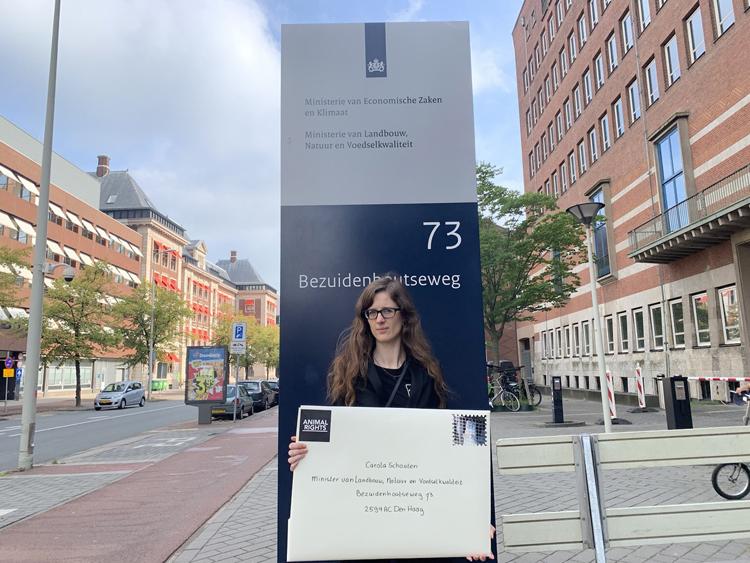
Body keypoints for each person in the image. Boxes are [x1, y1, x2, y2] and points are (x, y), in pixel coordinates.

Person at [288, 275, 494, 561]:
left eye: (387, 310)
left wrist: (471, 521)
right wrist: (304, 453)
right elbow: (332, 444)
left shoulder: (426, 374)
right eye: (372, 312)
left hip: (415, 518)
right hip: (362, 519)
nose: (379, 319)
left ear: (403, 315)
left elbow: (448, 452)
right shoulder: (349, 373)